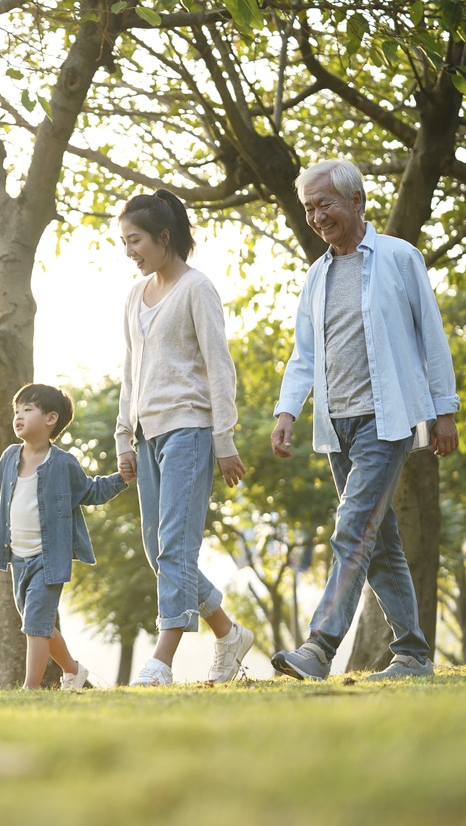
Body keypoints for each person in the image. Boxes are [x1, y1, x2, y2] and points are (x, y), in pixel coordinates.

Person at [269, 159, 460, 681]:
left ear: (356, 201)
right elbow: (303, 354)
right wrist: (289, 410)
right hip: (336, 426)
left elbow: (431, 337)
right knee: (380, 541)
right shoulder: (317, 274)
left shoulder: (400, 257)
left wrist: (446, 411)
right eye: (309, 208)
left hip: (386, 419)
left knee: (352, 529)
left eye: (324, 204)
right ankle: (414, 655)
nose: (316, 216)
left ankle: (318, 648)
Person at [115, 189, 256, 687]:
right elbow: (131, 370)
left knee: (175, 547)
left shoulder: (198, 289)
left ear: (164, 237)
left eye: (135, 240)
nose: (129, 250)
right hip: (148, 432)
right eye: (124, 242)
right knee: (159, 552)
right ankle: (229, 632)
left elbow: (220, 366)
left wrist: (224, 438)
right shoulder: (136, 295)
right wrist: (122, 437)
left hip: (191, 430)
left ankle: (161, 661)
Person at [0, 383, 132, 690]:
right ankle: (74, 671)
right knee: (39, 625)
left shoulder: (63, 463)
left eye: (27, 410)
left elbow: (91, 491)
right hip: (18, 559)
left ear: (51, 419)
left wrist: (122, 478)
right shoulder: (11, 457)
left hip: (49, 560)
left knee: (35, 625)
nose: (18, 416)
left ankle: (31, 688)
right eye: (16, 411)